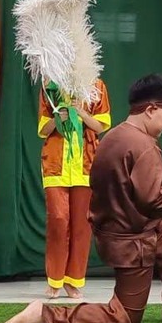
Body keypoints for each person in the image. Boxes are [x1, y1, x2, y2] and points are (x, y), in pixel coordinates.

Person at [0, 74, 162, 323]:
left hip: (112, 234)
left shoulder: (113, 137)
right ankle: (44, 314)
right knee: (124, 317)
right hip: (132, 243)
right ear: (150, 110)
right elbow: (153, 202)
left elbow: (129, 191)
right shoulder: (145, 147)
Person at [40, 79, 112, 300]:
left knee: (82, 224)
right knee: (58, 220)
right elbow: (43, 129)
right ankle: (54, 279)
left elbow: (101, 126)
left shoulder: (96, 84)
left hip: (86, 164)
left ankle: (73, 281)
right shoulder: (50, 85)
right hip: (55, 164)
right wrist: (58, 117)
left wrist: (80, 112)